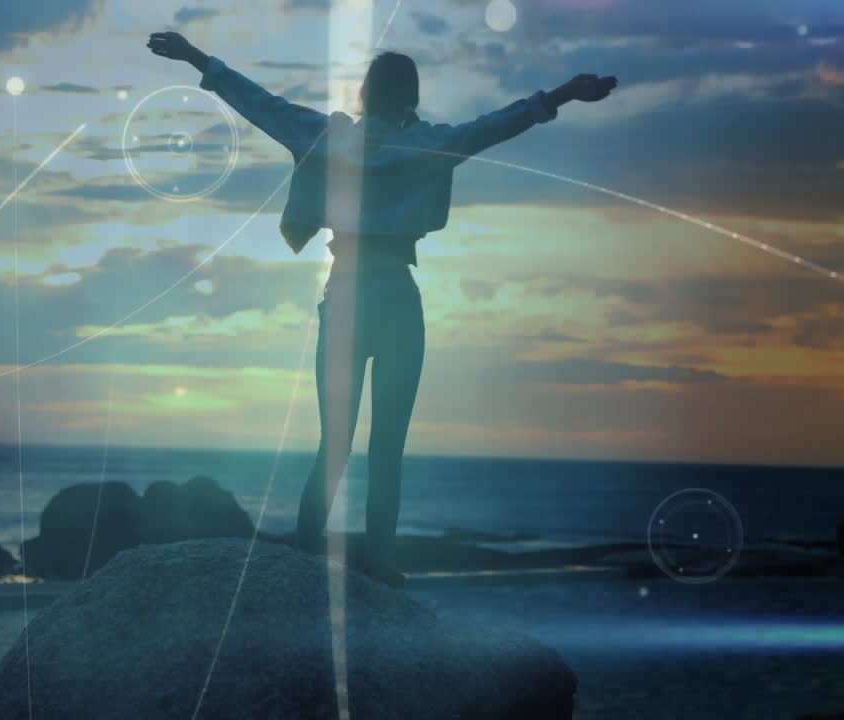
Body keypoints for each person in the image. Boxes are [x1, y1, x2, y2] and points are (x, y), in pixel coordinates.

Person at [147, 31, 616, 588]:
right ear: (411, 97)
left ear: (365, 93)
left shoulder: (329, 137)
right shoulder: (431, 143)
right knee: (387, 448)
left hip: (345, 294)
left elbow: (260, 104)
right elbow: (497, 124)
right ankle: (378, 563)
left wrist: (195, 57)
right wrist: (564, 92)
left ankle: (304, 556)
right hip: (396, 295)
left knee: (334, 445)